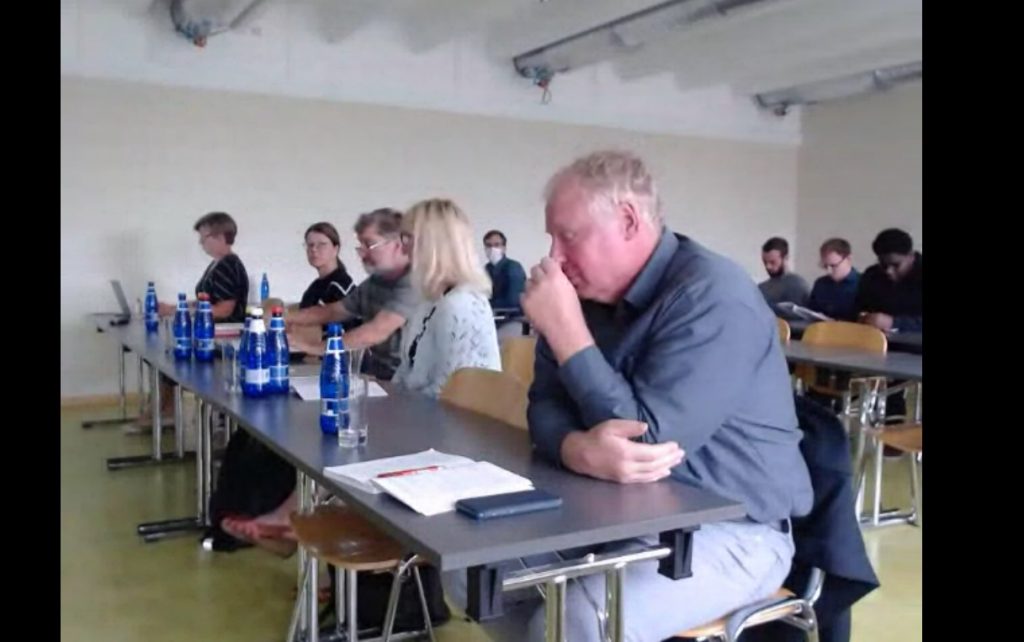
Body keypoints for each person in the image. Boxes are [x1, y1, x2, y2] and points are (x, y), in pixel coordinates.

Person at [447, 150, 812, 641]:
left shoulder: (714, 295)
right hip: (608, 509)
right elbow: (544, 405)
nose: (554, 257)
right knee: (470, 570)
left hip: (731, 527)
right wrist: (574, 448)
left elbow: (645, 446)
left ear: (628, 221)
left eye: (569, 236)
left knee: (581, 619)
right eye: (552, 238)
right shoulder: (584, 294)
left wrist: (566, 330)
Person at [286, 208, 422, 380]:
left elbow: (376, 331)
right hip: (379, 376)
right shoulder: (377, 280)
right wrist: (283, 319)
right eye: (361, 246)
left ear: (398, 243)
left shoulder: (415, 282)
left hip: (410, 382)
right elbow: (335, 311)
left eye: (370, 244)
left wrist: (314, 347)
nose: (362, 254)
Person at [145, 212, 249, 425]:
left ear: (220, 237)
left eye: (204, 237)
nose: (201, 243)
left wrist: (183, 312)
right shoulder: (217, 264)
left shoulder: (228, 266)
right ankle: (164, 410)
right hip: (209, 333)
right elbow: (205, 301)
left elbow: (224, 309)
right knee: (167, 358)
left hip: (222, 336)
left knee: (173, 360)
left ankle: (164, 411)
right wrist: (176, 308)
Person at [392, 199, 501, 398]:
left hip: (445, 416)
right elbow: (407, 370)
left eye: (408, 238)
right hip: (417, 409)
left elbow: (450, 394)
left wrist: (395, 405)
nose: (402, 248)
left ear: (432, 244)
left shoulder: (461, 305)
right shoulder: (430, 301)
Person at [855, 228, 922, 332]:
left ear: (911, 256)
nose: (889, 271)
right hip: (875, 338)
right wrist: (864, 317)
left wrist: (894, 323)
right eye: (883, 265)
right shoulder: (872, 275)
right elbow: (859, 308)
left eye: (896, 265)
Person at [807, 238, 860, 321]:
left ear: (848, 259)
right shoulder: (820, 283)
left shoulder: (864, 283)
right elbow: (811, 312)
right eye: (825, 266)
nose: (829, 271)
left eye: (833, 266)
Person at [483, 230, 527, 314]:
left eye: (496, 245)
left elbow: (513, 301)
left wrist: (484, 304)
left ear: (504, 248)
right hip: (492, 315)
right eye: (488, 245)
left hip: (513, 317)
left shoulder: (513, 267)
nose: (492, 249)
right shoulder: (487, 269)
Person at [758, 236, 810, 307]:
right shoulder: (761, 288)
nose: (768, 266)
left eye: (772, 262)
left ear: (786, 258)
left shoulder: (798, 285)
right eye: (765, 262)